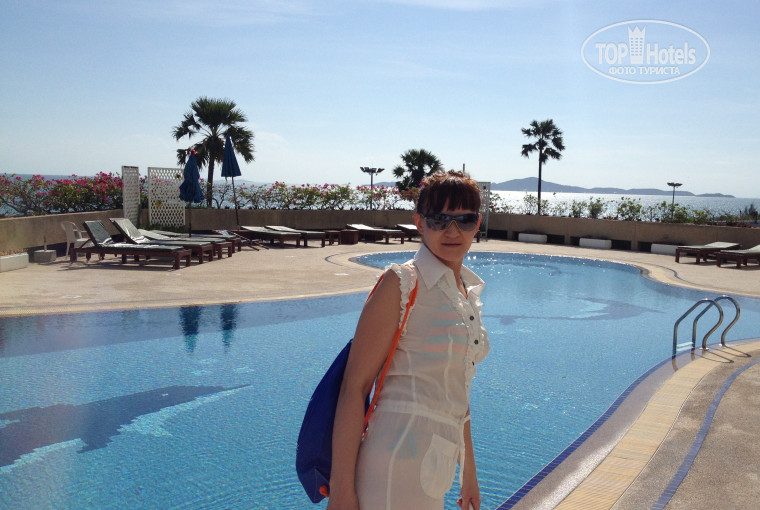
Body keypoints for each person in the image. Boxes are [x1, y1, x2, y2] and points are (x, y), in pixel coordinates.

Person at [328, 170, 489, 510]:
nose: (452, 231)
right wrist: (341, 493)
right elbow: (354, 387)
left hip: (437, 467)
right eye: (439, 219)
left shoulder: (465, 294)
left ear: (477, 224)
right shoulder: (401, 283)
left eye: (464, 220)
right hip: (392, 462)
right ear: (419, 223)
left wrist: (469, 473)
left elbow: (457, 394)